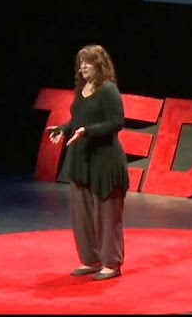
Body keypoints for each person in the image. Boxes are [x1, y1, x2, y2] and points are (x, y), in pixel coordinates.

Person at [46, 44, 130, 281]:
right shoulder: (82, 89)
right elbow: (77, 119)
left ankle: (111, 263)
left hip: (105, 162)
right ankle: (91, 259)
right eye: (80, 62)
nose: (82, 66)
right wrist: (63, 129)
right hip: (82, 161)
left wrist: (88, 131)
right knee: (82, 215)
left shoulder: (108, 90)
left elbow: (116, 122)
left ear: (100, 65)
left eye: (88, 62)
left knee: (106, 216)